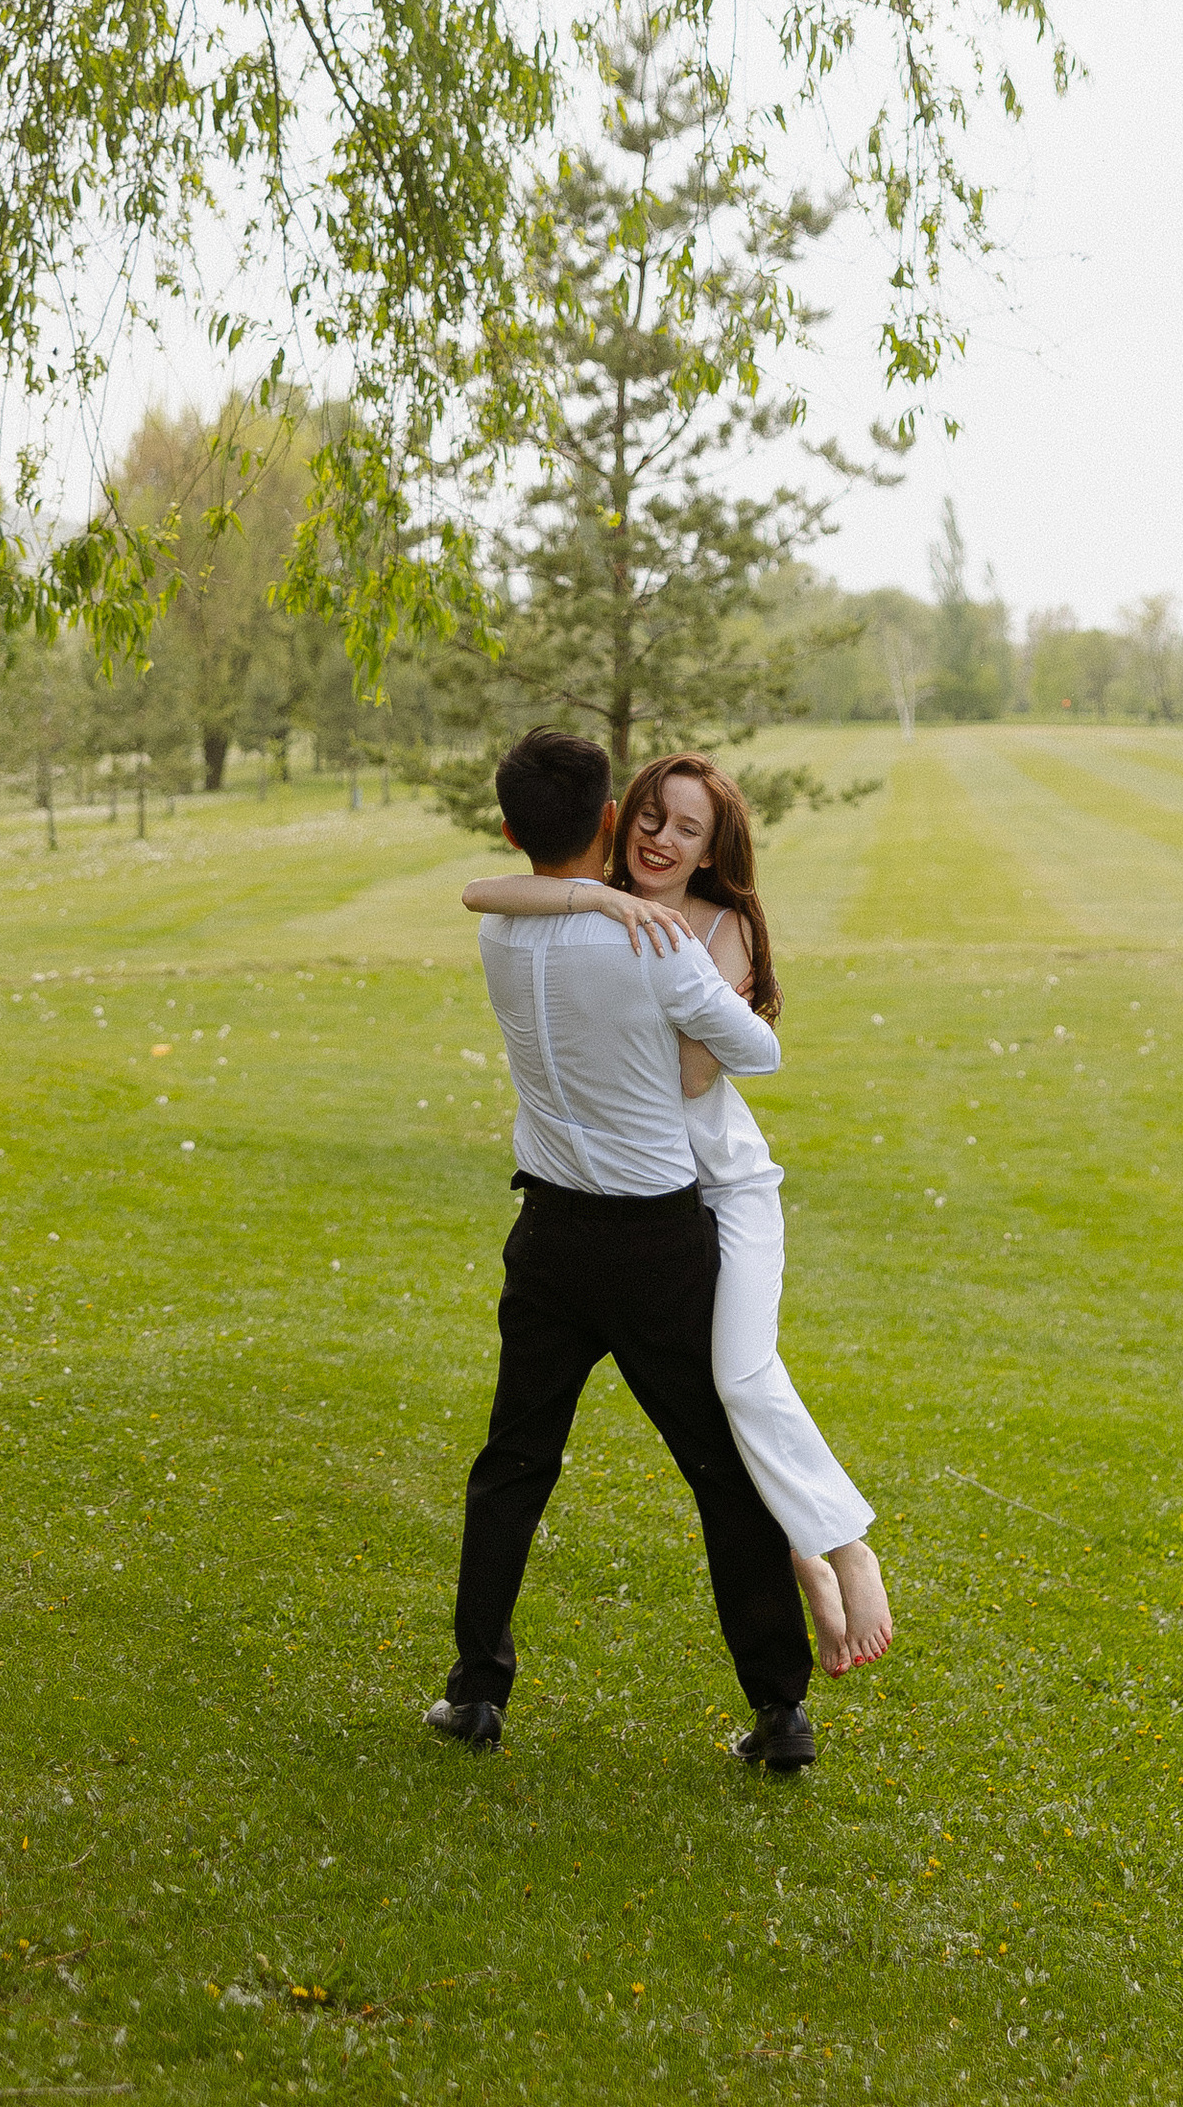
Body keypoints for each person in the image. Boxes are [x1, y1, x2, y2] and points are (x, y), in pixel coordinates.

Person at [426, 726, 818, 1768]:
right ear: (609, 820)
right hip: (654, 1245)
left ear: (512, 829)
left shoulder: (501, 935)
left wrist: (599, 897)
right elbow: (759, 1053)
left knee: (513, 1462)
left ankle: (475, 1691)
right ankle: (780, 1710)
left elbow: (492, 892)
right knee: (720, 1474)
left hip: (549, 1236)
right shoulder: (659, 948)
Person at [466, 750, 893, 1677]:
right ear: (619, 823)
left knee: (738, 1388)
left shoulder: (715, 928)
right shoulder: (615, 917)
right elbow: (483, 890)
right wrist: (602, 906)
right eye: (652, 819)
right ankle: (806, 1567)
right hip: (632, 1208)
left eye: (687, 829)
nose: (663, 839)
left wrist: (635, 986)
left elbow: (704, 1072)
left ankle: (838, 1547)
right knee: (706, 1435)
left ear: (712, 849)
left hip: (719, 1195)